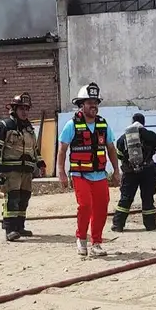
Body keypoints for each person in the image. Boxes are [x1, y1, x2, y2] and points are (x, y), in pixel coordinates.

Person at [57, 82, 120, 257]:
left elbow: (111, 148)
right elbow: (62, 150)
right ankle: (81, 239)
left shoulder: (103, 124)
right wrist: (61, 172)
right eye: (90, 102)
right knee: (85, 206)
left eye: (96, 102)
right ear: (81, 105)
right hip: (80, 174)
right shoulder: (72, 125)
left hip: (99, 174)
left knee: (101, 207)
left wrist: (116, 170)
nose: (94, 105)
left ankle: (97, 243)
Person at [0, 93, 47, 242]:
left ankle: (20, 227)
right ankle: (10, 229)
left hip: (27, 171)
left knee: (24, 199)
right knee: (13, 198)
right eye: (21, 108)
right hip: (11, 170)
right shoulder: (4, 126)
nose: (25, 112)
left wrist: (40, 163)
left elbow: (35, 149)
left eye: (27, 109)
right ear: (14, 109)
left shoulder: (29, 129)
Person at [112, 113, 156, 232]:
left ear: (132, 121)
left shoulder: (123, 137)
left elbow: (119, 155)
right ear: (143, 122)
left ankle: (118, 225)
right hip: (148, 171)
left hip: (130, 172)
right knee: (147, 198)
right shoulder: (150, 135)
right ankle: (150, 225)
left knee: (125, 198)